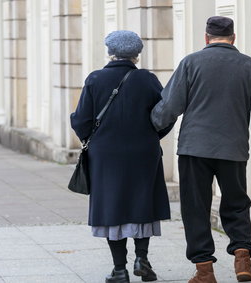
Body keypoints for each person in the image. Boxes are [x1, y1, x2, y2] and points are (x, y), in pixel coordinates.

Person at [151, 16, 251, 283]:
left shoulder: (191, 62)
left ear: (206, 38)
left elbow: (170, 105)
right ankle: (243, 258)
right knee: (236, 203)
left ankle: (204, 270)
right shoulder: (249, 66)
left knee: (195, 207)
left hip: (194, 149)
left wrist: (153, 124)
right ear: (233, 38)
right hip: (233, 149)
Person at [71, 30, 172, 283]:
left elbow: (81, 120)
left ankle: (119, 269)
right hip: (143, 152)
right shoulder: (148, 80)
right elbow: (165, 115)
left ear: (110, 52)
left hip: (106, 154)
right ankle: (142, 259)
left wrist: (92, 140)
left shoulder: (95, 79)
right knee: (142, 201)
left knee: (112, 205)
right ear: (137, 54)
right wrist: (151, 137)